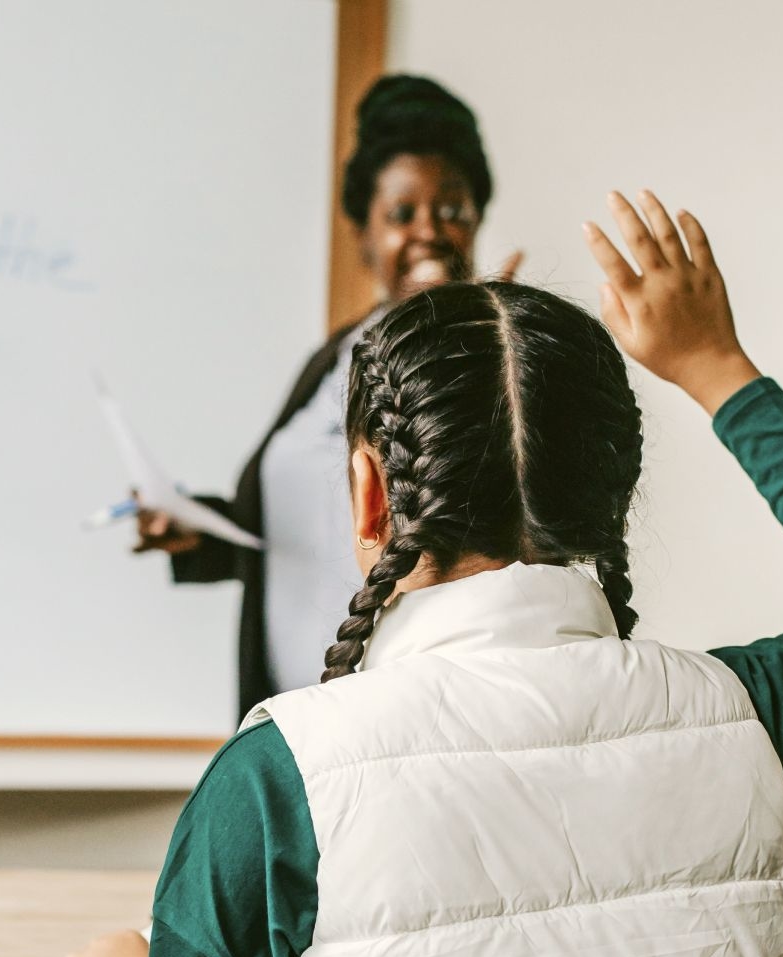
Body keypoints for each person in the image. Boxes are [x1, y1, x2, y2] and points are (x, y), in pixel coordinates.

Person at [79, 191, 783, 957]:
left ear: (369, 495)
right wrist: (716, 364)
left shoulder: (272, 784)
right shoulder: (755, 721)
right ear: (613, 499)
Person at [133, 74, 520, 722]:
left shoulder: (483, 360)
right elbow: (306, 530)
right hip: (293, 719)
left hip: (399, 725)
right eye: (402, 213)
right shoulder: (337, 354)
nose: (429, 230)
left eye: (451, 210)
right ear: (365, 236)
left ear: (476, 221)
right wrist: (195, 531)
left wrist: (481, 344)